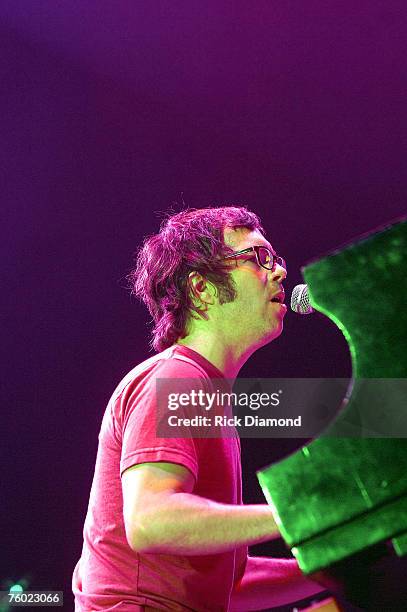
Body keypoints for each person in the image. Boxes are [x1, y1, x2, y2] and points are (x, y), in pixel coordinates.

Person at [73, 206, 324, 611]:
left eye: (276, 260)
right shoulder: (177, 378)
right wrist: (298, 514)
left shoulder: (208, 398)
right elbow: (151, 521)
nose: (279, 272)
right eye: (258, 259)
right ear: (202, 289)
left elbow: (232, 584)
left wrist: (332, 564)